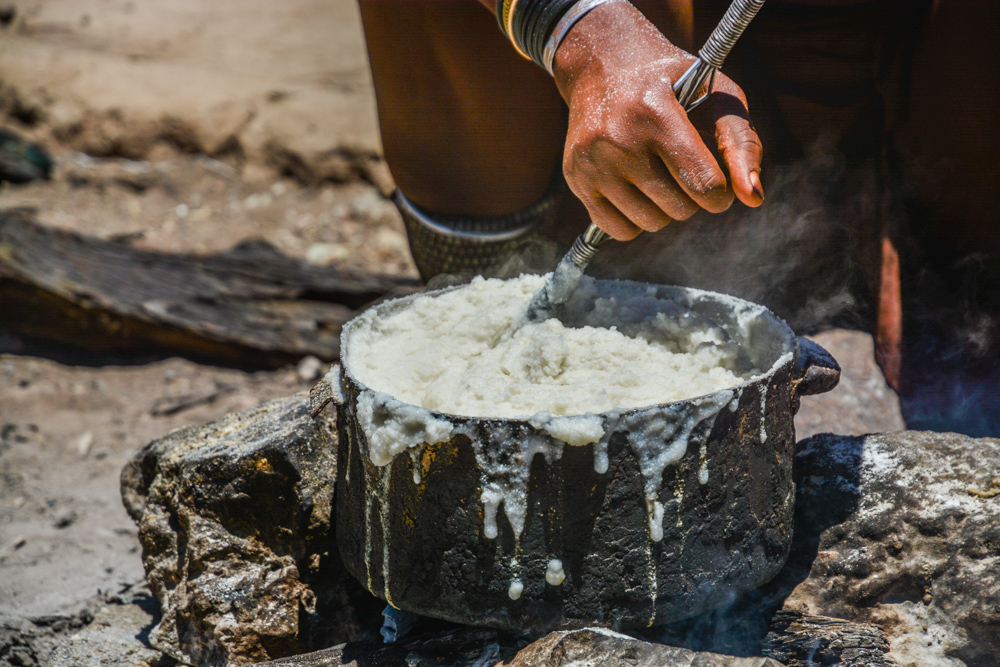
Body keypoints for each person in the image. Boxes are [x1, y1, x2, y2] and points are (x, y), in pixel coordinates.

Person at [358, 0, 1000, 436]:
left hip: (902, 117)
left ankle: (935, 257)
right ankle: (514, 269)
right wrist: (580, 32)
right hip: (566, 184)